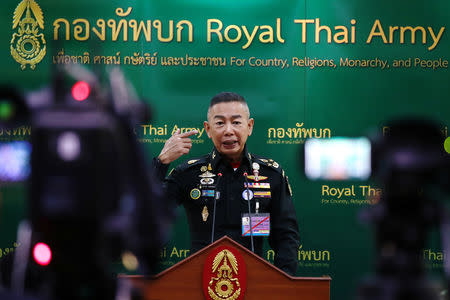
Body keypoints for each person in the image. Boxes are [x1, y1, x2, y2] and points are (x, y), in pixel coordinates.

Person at [153, 92, 300, 275]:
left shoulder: (271, 174)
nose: (228, 130)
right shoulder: (188, 174)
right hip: (198, 283)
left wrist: (281, 285)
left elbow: (286, 237)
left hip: (255, 284)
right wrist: (160, 163)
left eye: (236, 122)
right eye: (220, 123)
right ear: (208, 129)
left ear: (250, 126)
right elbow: (148, 215)